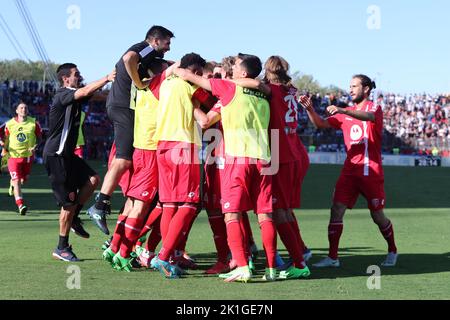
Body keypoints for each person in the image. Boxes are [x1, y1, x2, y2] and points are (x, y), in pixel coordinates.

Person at [174, 53, 278, 282]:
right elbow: (262, 86)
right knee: (265, 215)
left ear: (241, 72)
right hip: (265, 158)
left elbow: (189, 78)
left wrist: (182, 83)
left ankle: (241, 265)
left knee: (230, 213)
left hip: (238, 158)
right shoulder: (263, 93)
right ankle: (271, 268)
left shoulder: (230, 89)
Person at [299, 74, 398, 268]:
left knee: (377, 216)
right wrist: (310, 108)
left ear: (367, 89)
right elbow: (320, 124)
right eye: (349, 86)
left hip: (371, 171)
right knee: (336, 209)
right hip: (349, 172)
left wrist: (343, 110)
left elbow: (369, 117)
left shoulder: (373, 108)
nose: (350, 89)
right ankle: (333, 257)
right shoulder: (345, 113)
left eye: (354, 86)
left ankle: (392, 250)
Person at [87, 26, 174, 235]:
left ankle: (115, 225)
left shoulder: (150, 56)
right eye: (167, 43)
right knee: (124, 159)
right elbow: (128, 58)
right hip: (122, 106)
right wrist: (138, 82)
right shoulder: (146, 48)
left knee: (129, 160)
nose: (169, 48)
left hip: (123, 106)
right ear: (155, 41)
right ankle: (99, 204)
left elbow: (163, 67)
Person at [232, 55, 312, 279]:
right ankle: (300, 256)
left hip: (281, 155)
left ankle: (299, 262)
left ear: (267, 72)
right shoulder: (290, 90)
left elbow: (255, 85)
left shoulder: (271, 90)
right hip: (293, 152)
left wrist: (227, 81)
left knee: (277, 212)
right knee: (284, 211)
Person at [44, 63, 115, 262]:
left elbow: (98, 95)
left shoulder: (76, 95)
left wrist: (122, 88)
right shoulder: (63, 94)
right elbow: (85, 90)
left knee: (93, 180)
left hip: (67, 155)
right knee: (68, 203)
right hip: (57, 156)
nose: (79, 76)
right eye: (76, 74)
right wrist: (107, 77)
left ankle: (75, 217)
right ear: (66, 79)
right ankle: (62, 247)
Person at [152, 53, 209, 279]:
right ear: (193, 71)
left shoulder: (165, 84)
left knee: (169, 204)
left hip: (162, 145)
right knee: (189, 203)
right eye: (198, 73)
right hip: (183, 145)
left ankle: (171, 256)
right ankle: (165, 256)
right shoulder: (189, 86)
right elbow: (211, 98)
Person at [2, 103, 42, 215]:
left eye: (25, 108)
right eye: (21, 108)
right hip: (13, 157)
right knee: (17, 181)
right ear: (16, 111)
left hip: (28, 157)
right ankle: (20, 205)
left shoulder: (34, 123)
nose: (23, 109)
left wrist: (35, 146)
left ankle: (12, 184)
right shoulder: (9, 124)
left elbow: (40, 138)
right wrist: (3, 146)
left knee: (24, 180)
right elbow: (5, 138)